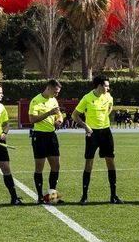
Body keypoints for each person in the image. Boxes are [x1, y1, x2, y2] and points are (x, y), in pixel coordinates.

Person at [75, 76, 120, 204]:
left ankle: (113, 196)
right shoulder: (87, 98)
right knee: (89, 163)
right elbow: (75, 115)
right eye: (106, 85)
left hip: (106, 132)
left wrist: (106, 115)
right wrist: (86, 126)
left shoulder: (108, 97)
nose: (108, 88)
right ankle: (84, 197)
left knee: (110, 161)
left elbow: (110, 106)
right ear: (99, 86)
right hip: (92, 133)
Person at [27, 80, 64, 203]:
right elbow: (32, 119)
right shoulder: (36, 101)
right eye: (55, 92)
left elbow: (59, 115)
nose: (57, 94)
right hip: (39, 136)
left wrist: (59, 121)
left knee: (56, 166)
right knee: (39, 167)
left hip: (51, 136)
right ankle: (39, 197)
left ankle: (51, 196)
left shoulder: (54, 100)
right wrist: (49, 113)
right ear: (48, 88)